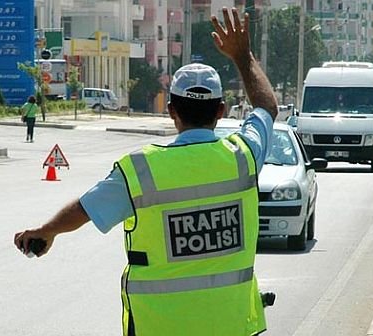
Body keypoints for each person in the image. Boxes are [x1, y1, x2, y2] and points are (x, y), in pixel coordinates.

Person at [14, 7, 278, 336]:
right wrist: (243, 57)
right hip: (231, 326)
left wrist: (46, 231)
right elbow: (267, 107)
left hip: (158, 326)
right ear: (221, 111)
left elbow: (86, 208)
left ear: (171, 111)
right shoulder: (244, 156)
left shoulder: (140, 170)